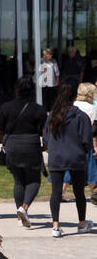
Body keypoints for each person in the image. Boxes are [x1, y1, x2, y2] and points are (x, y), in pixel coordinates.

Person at [0, 77, 47, 229]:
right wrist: (46, 146)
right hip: (31, 145)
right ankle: (24, 208)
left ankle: (20, 217)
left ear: (16, 90)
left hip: (12, 146)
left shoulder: (6, 107)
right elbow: (44, 132)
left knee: (18, 180)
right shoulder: (39, 109)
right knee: (34, 180)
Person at [41, 83, 95, 237]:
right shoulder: (81, 116)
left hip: (56, 156)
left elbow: (46, 138)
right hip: (76, 156)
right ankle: (82, 223)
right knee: (79, 192)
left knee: (56, 192)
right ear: (74, 97)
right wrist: (84, 151)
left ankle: (56, 226)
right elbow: (86, 140)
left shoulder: (52, 116)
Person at [77, 82, 97, 192]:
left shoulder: (73, 105)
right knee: (92, 169)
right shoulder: (91, 108)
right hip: (87, 141)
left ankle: (61, 192)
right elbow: (93, 127)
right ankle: (94, 192)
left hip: (73, 141)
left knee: (68, 172)